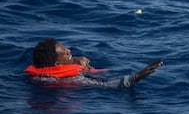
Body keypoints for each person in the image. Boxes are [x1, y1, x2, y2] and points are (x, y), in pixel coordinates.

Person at [25, 38, 163, 88]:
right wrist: (137, 77)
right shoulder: (72, 78)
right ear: (56, 65)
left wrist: (74, 61)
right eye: (65, 53)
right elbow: (106, 85)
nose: (69, 50)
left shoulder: (46, 70)